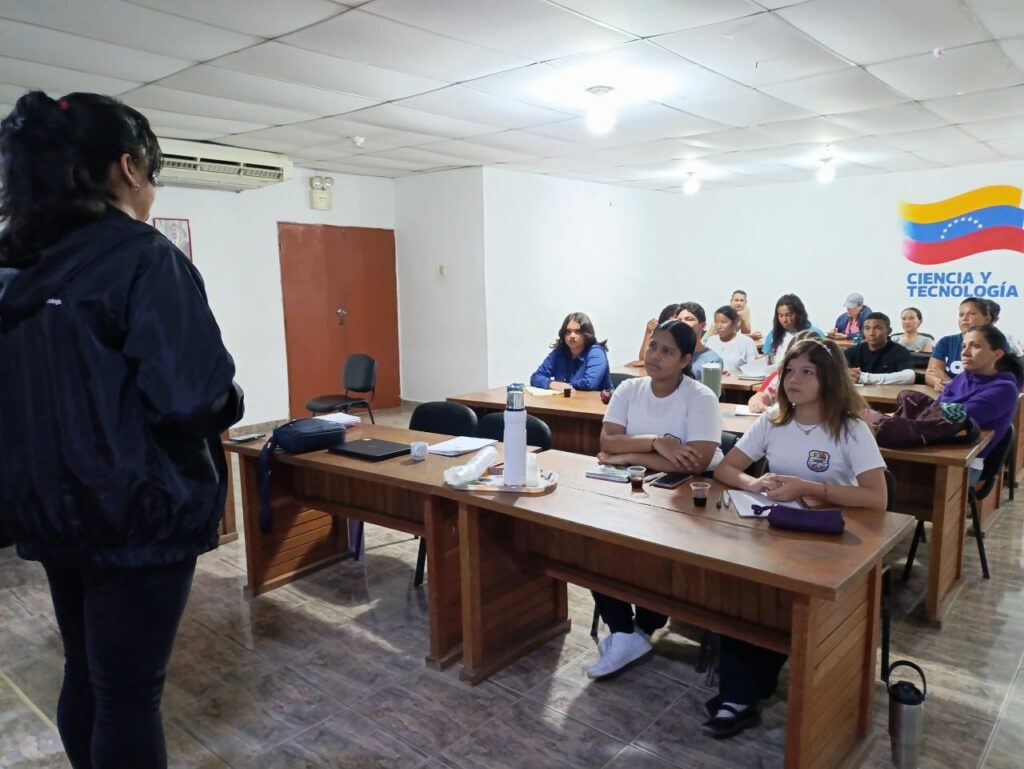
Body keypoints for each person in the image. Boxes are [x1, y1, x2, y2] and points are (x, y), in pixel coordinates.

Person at [0, 91, 243, 768]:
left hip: (51, 508)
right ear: (129, 167)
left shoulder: (17, 266)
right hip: (136, 511)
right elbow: (190, 399)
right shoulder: (143, 258)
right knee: (130, 696)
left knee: (86, 672)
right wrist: (230, 396)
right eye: (153, 171)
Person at [708, 337, 886, 738]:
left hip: (829, 541)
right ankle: (740, 693)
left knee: (778, 598)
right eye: (790, 370)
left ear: (829, 379)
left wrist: (810, 488)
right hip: (775, 531)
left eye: (808, 372)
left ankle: (741, 693)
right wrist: (754, 483)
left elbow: (878, 498)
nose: (794, 380)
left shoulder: (851, 429)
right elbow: (726, 469)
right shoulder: (773, 420)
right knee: (739, 587)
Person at [588, 320, 723, 678]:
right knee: (592, 540)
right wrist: (656, 442)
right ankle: (624, 631)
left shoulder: (700, 397)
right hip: (640, 487)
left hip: (691, 492)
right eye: (653, 346)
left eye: (667, 351)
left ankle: (641, 629)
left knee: (660, 551)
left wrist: (628, 455)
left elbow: (696, 462)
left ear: (685, 360)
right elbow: (607, 441)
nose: (655, 356)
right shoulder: (629, 388)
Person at [940, 325, 1024, 484]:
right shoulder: (963, 377)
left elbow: (958, 415)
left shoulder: (1005, 389)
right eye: (963, 346)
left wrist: (924, 409)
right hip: (942, 447)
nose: (965, 353)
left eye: (975, 346)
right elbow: (937, 408)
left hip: (968, 465)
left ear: (997, 354)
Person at [531, 311, 611, 391]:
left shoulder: (596, 352)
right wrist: (551, 384)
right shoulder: (559, 352)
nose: (572, 335)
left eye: (577, 331)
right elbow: (535, 377)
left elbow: (589, 384)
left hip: (595, 399)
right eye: (568, 331)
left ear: (586, 334)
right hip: (566, 399)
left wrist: (565, 386)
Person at [926, 297, 993, 391]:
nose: (965, 318)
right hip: (946, 395)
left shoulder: (995, 344)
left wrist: (948, 381)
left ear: (987, 319)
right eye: (961, 315)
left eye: (972, 314)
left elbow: (982, 387)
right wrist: (936, 382)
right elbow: (930, 373)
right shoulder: (945, 342)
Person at [746, 330, 820, 413]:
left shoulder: (825, 383)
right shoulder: (777, 377)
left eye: (806, 371)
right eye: (790, 370)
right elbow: (759, 396)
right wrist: (757, 404)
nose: (795, 378)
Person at [844, 312, 914, 385]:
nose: (871, 333)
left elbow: (909, 377)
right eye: (867, 328)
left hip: (889, 392)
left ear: (889, 331)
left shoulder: (900, 352)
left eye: (878, 328)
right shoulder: (852, 352)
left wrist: (864, 378)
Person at [761, 294, 826, 363]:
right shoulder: (773, 334)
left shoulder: (814, 333)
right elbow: (768, 361)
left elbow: (825, 360)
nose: (784, 320)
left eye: (788, 315)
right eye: (781, 316)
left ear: (799, 314)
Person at [677, 302, 724, 382]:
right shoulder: (669, 354)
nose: (682, 323)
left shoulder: (712, 361)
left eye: (689, 319)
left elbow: (711, 389)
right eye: (679, 320)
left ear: (702, 325)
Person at [706, 305, 759, 373]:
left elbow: (754, 371)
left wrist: (733, 375)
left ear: (735, 322)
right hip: (714, 379)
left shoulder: (747, 342)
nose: (719, 326)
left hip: (739, 380)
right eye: (716, 322)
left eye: (723, 322)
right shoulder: (711, 341)